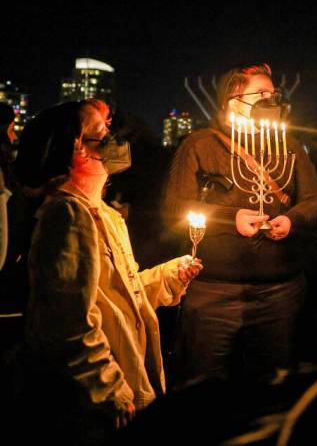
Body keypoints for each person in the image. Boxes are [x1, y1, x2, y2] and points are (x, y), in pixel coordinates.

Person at [12, 100, 203, 443]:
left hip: (121, 385)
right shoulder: (67, 216)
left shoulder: (104, 214)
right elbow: (67, 324)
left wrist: (167, 276)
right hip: (90, 408)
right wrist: (111, 391)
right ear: (77, 151)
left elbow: (116, 296)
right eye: (102, 133)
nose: (115, 140)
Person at [162, 63, 317, 386]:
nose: (271, 99)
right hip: (213, 293)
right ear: (234, 101)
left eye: (274, 93)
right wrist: (230, 219)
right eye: (261, 93)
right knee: (203, 386)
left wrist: (291, 220)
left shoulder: (287, 146)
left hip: (279, 293)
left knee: (272, 387)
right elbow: (174, 209)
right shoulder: (199, 145)